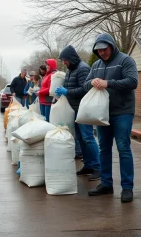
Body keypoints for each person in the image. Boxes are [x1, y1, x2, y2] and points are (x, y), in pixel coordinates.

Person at [83, 33, 138, 203]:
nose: (102, 53)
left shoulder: (125, 60)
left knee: (123, 148)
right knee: (104, 148)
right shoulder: (97, 65)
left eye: (104, 49)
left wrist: (108, 83)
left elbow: (132, 82)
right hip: (103, 114)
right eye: (98, 50)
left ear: (112, 46)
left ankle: (127, 188)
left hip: (122, 112)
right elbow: (85, 84)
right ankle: (106, 184)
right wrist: (91, 83)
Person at [55, 45, 100, 181]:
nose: (64, 63)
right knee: (80, 139)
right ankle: (88, 165)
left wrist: (67, 92)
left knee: (88, 138)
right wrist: (64, 90)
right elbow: (71, 86)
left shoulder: (83, 68)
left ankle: (98, 168)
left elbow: (85, 89)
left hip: (83, 110)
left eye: (65, 60)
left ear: (71, 58)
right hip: (74, 109)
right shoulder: (71, 70)